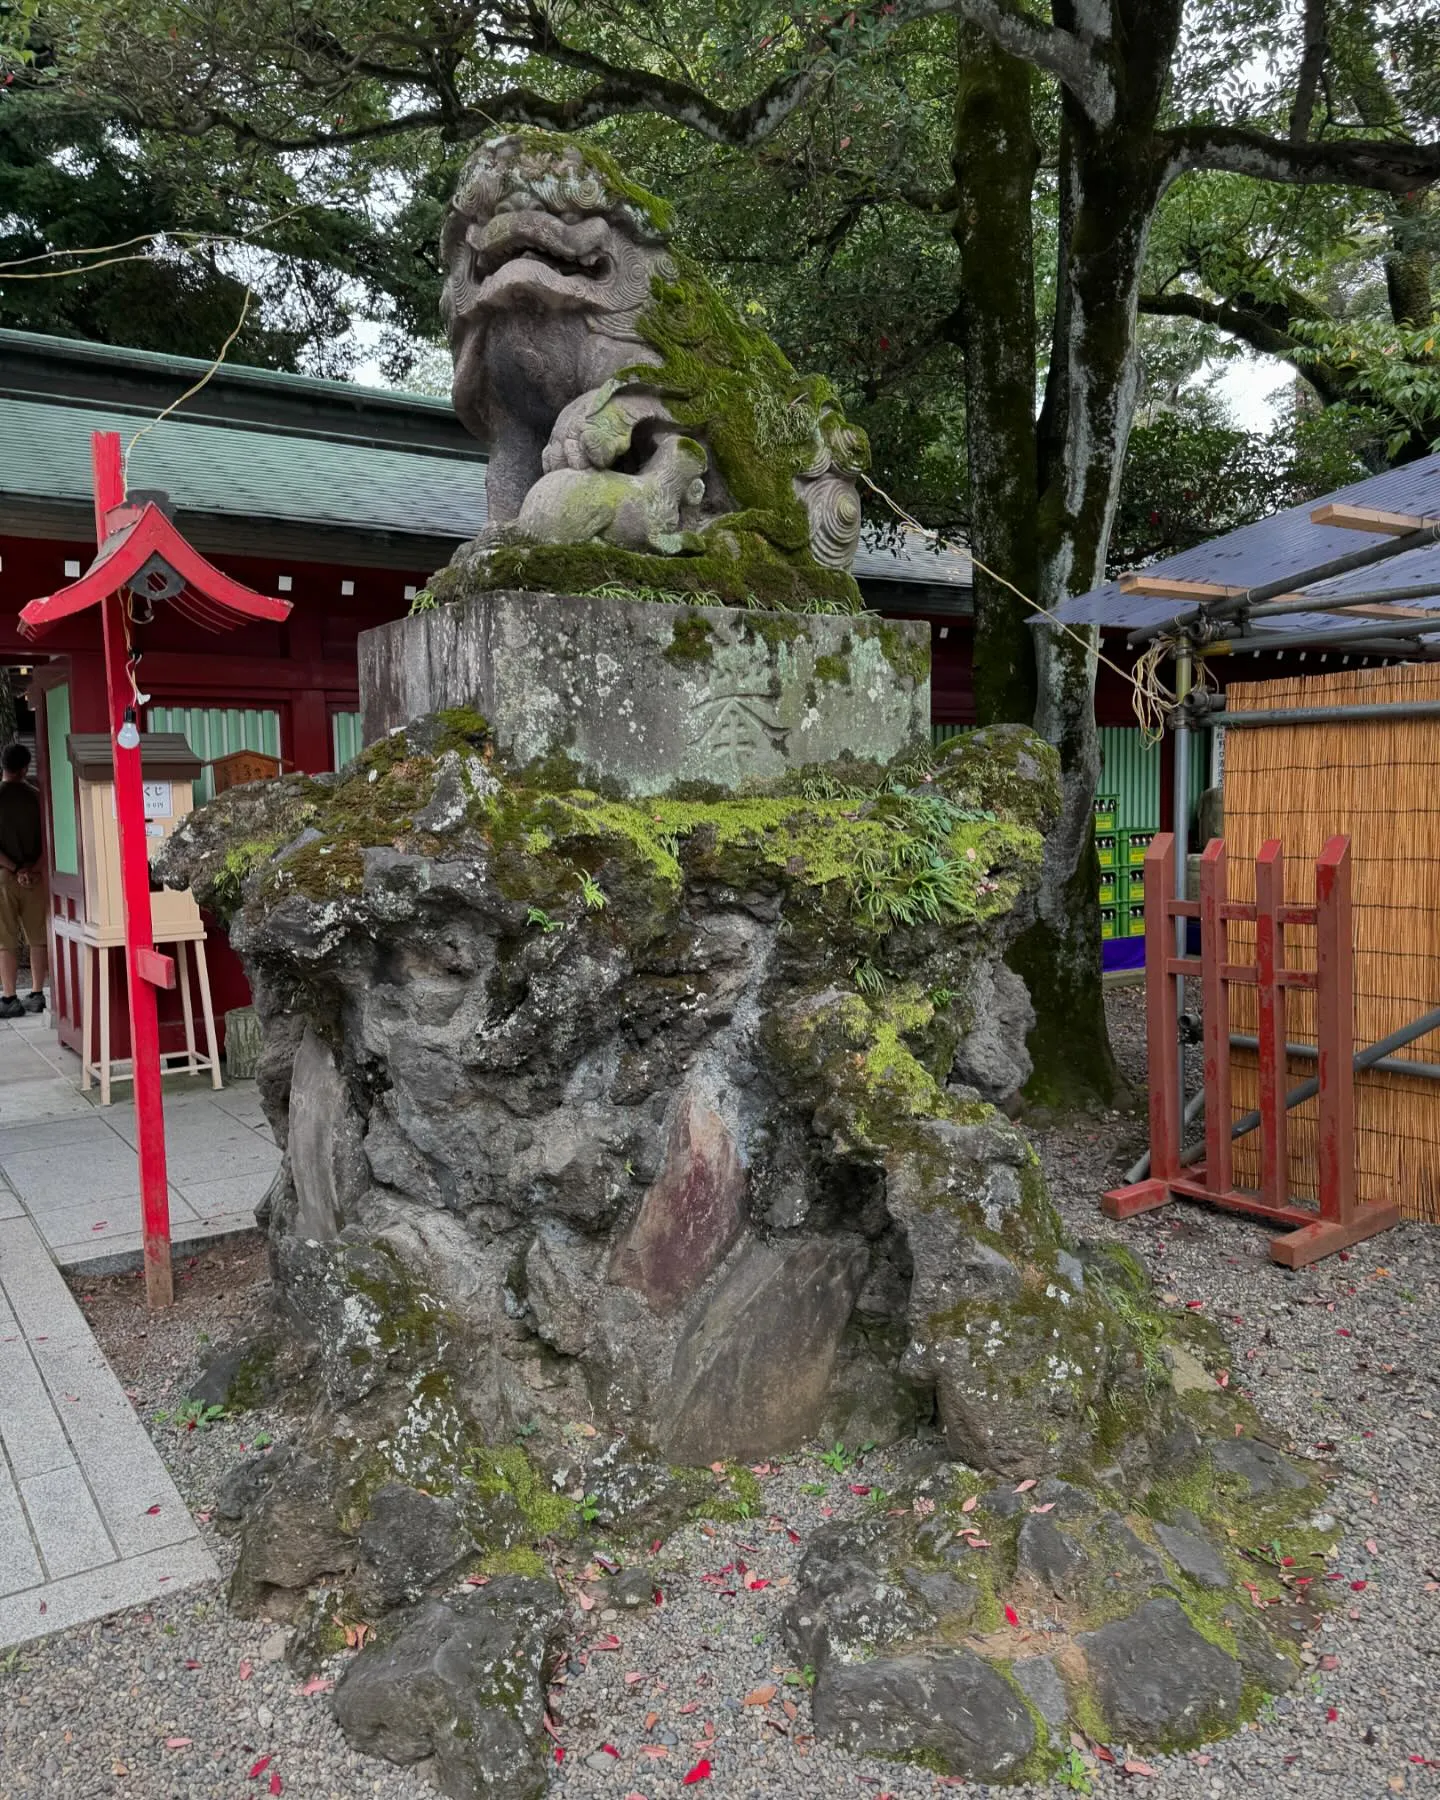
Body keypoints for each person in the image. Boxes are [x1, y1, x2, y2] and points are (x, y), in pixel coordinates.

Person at [0, 742, 49, 1017]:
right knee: (37, 937)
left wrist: (15, 867)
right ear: (24, 768)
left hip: (4, 877)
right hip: (35, 877)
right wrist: (32, 868)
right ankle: (37, 992)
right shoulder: (38, 797)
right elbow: (50, 837)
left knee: (4, 939)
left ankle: (9, 998)